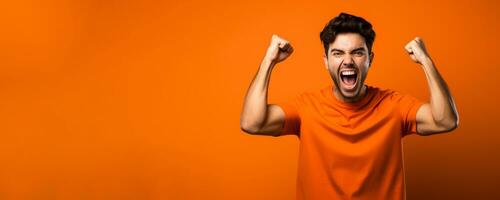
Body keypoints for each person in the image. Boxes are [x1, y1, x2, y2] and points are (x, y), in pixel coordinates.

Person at [240, 13, 459, 200]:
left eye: (357, 52)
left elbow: (446, 120)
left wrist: (426, 61)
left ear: (369, 59)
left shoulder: (394, 106)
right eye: (338, 53)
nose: (348, 61)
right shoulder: (307, 107)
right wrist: (269, 60)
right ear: (326, 61)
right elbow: (252, 122)